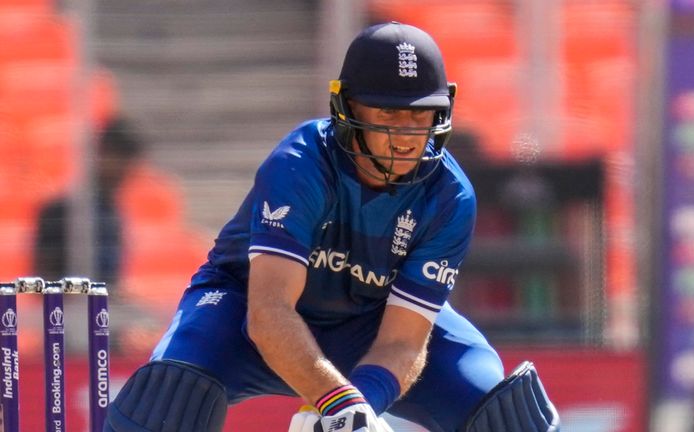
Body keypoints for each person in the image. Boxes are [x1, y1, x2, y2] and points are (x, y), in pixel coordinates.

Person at [103, 22, 559, 432]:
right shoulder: (301, 164)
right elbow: (269, 313)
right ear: (347, 111)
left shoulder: (449, 195)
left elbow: (402, 339)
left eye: (419, 118)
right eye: (387, 115)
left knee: (509, 418)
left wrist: (355, 411)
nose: (405, 137)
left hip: (371, 322)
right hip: (243, 316)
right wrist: (336, 401)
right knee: (165, 404)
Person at [34, 116, 144, 287]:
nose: (125, 169)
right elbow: (44, 282)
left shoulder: (114, 213)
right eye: (117, 158)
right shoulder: (59, 211)